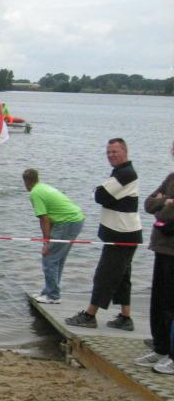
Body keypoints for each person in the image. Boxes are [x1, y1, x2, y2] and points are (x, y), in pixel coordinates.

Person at [65, 138, 142, 329]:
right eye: (108, 152)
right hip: (124, 233)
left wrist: (102, 192)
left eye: (115, 152)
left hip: (122, 234)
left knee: (104, 275)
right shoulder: (120, 172)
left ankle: (90, 315)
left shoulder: (126, 173)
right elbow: (104, 195)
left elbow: (100, 195)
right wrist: (104, 193)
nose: (111, 155)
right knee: (122, 276)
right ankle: (125, 317)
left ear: (125, 151)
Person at [134, 141, 174, 375]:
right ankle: (160, 347)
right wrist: (165, 202)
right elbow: (149, 204)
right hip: (161, 248)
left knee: (171, 305)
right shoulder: (171, 178)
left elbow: (165, 216)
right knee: (158, 303)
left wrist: (164, 207)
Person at [23, 169, 85, 304]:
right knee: (57, 258)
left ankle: (53, 295)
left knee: (49, 258)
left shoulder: (35, 193)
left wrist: (46, 243)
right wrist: (48, 240)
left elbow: (44, 219)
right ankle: (49, 291)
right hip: (75, 219)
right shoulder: (42, 187)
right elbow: (50, 219)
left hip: (68, 222)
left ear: (26, 182)